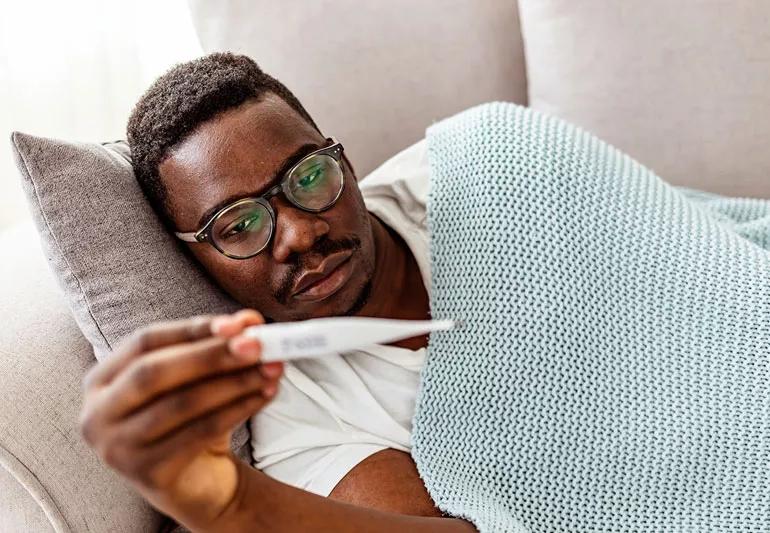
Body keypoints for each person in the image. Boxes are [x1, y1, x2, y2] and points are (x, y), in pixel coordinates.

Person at [78, 52, 475, 532]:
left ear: (343, 162)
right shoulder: (301, 420)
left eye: (307, 177)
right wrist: (231, 506)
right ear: (198, 261)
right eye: (240, 225)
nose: (300, 235)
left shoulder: (478, 169)